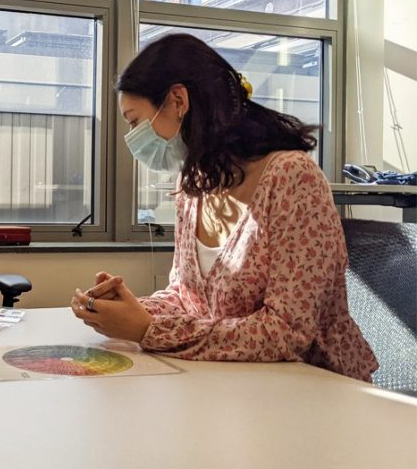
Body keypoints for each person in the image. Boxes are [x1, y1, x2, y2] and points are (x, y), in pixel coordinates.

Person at [71, 34, 377, 381]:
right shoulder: (193, 186)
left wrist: (148, 330)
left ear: (177, 100)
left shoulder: (293, 179)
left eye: (134, 122)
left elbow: (286, 334)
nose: (132, 139)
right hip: (235, 388)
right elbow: (187, 297)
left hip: (319, 392)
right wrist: (129, 311)